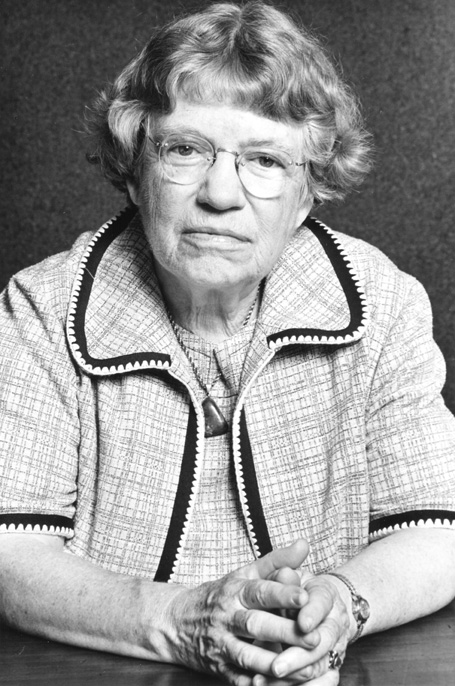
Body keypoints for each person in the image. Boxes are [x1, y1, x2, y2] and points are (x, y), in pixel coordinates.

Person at [1, 2, 455, 684]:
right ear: (133, 164)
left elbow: (437, 531)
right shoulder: (41, 308)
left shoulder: (382, 301)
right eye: (184, 149)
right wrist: (180, 621)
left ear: (307, 192)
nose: (220, 193)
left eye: (264, 159)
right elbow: (10, 554)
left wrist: (338, 606)